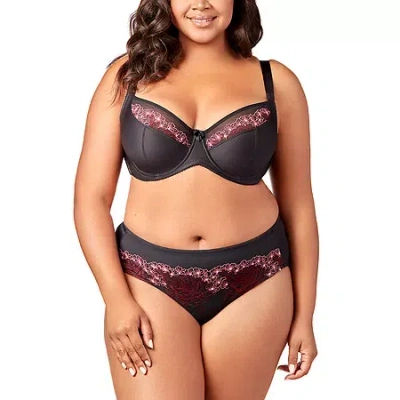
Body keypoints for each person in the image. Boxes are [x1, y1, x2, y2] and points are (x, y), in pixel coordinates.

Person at [73, 0, 319, 398]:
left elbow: (300, 207)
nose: (201, 3)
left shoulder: (276, 82)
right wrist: (116, 299)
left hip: (256, 282)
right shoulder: (127, 77)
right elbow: (91, 199)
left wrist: (305, 315)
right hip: (148, 281)